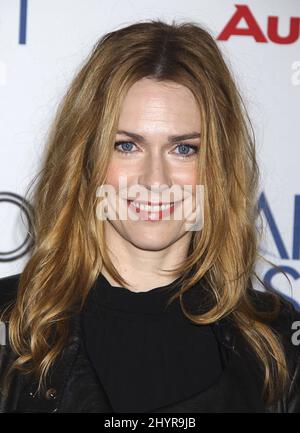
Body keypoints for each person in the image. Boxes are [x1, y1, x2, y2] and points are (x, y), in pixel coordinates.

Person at [0, 19, 299, 413]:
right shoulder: (11, 325)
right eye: (127, 146)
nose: (154, 180)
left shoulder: (277, 344)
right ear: (86, 160)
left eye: (183, 149)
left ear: (217, 166)